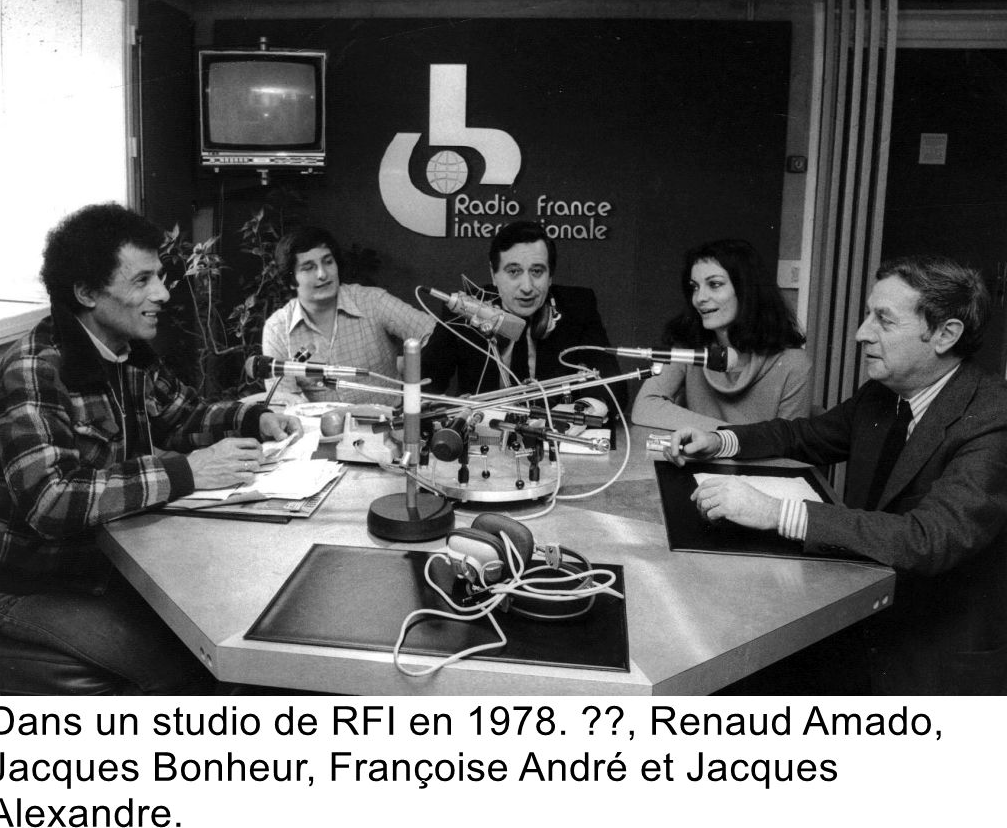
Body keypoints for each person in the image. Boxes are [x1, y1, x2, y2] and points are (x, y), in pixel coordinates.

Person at [0, 203, 303, 695]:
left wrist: (253, 415)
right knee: (194, 672)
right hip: (29, 588)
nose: (163, 293)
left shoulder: (126, 353)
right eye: (142, 281)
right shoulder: (32, 370)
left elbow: (185, 416)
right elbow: (52, 501)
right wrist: (186, 472)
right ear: (86, 292)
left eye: (161, 276)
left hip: (110, 568)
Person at [663, 255, 1007, 695]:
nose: (862, 333)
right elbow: (805, 435)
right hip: (864, 620)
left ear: (945, 334)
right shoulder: (882, 395)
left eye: (883, 319)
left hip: (932, 658)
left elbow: (927, 539)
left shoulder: (993, 417)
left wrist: (777, 512)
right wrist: (721, 441)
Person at [420, 221, 628, 414]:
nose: (527, 287)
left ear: (550, 277)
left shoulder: (578, 307)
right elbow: (423, 387)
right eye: (514, 271)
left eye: (537, 271)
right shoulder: (464, 310)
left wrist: (580, 411)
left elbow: (614, 384)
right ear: (494, 275)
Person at [631, 238, 812, 430]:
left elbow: (791, 447)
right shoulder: (688, 348)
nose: (700, 298)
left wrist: (727, 440)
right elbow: (645, 407)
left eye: (715, 284)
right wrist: (726, 436)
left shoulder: (794, 363)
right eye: (695, 287)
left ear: (746, 290)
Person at [261, 225, 434, 405]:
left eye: (328, 262)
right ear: (290, 281)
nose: (322, 274)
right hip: (323, 429)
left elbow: (433, 333)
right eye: (308, 268)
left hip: (391, 424)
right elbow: (284, 400)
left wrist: (413, 375)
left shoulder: (372, 301)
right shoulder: (277, 329)